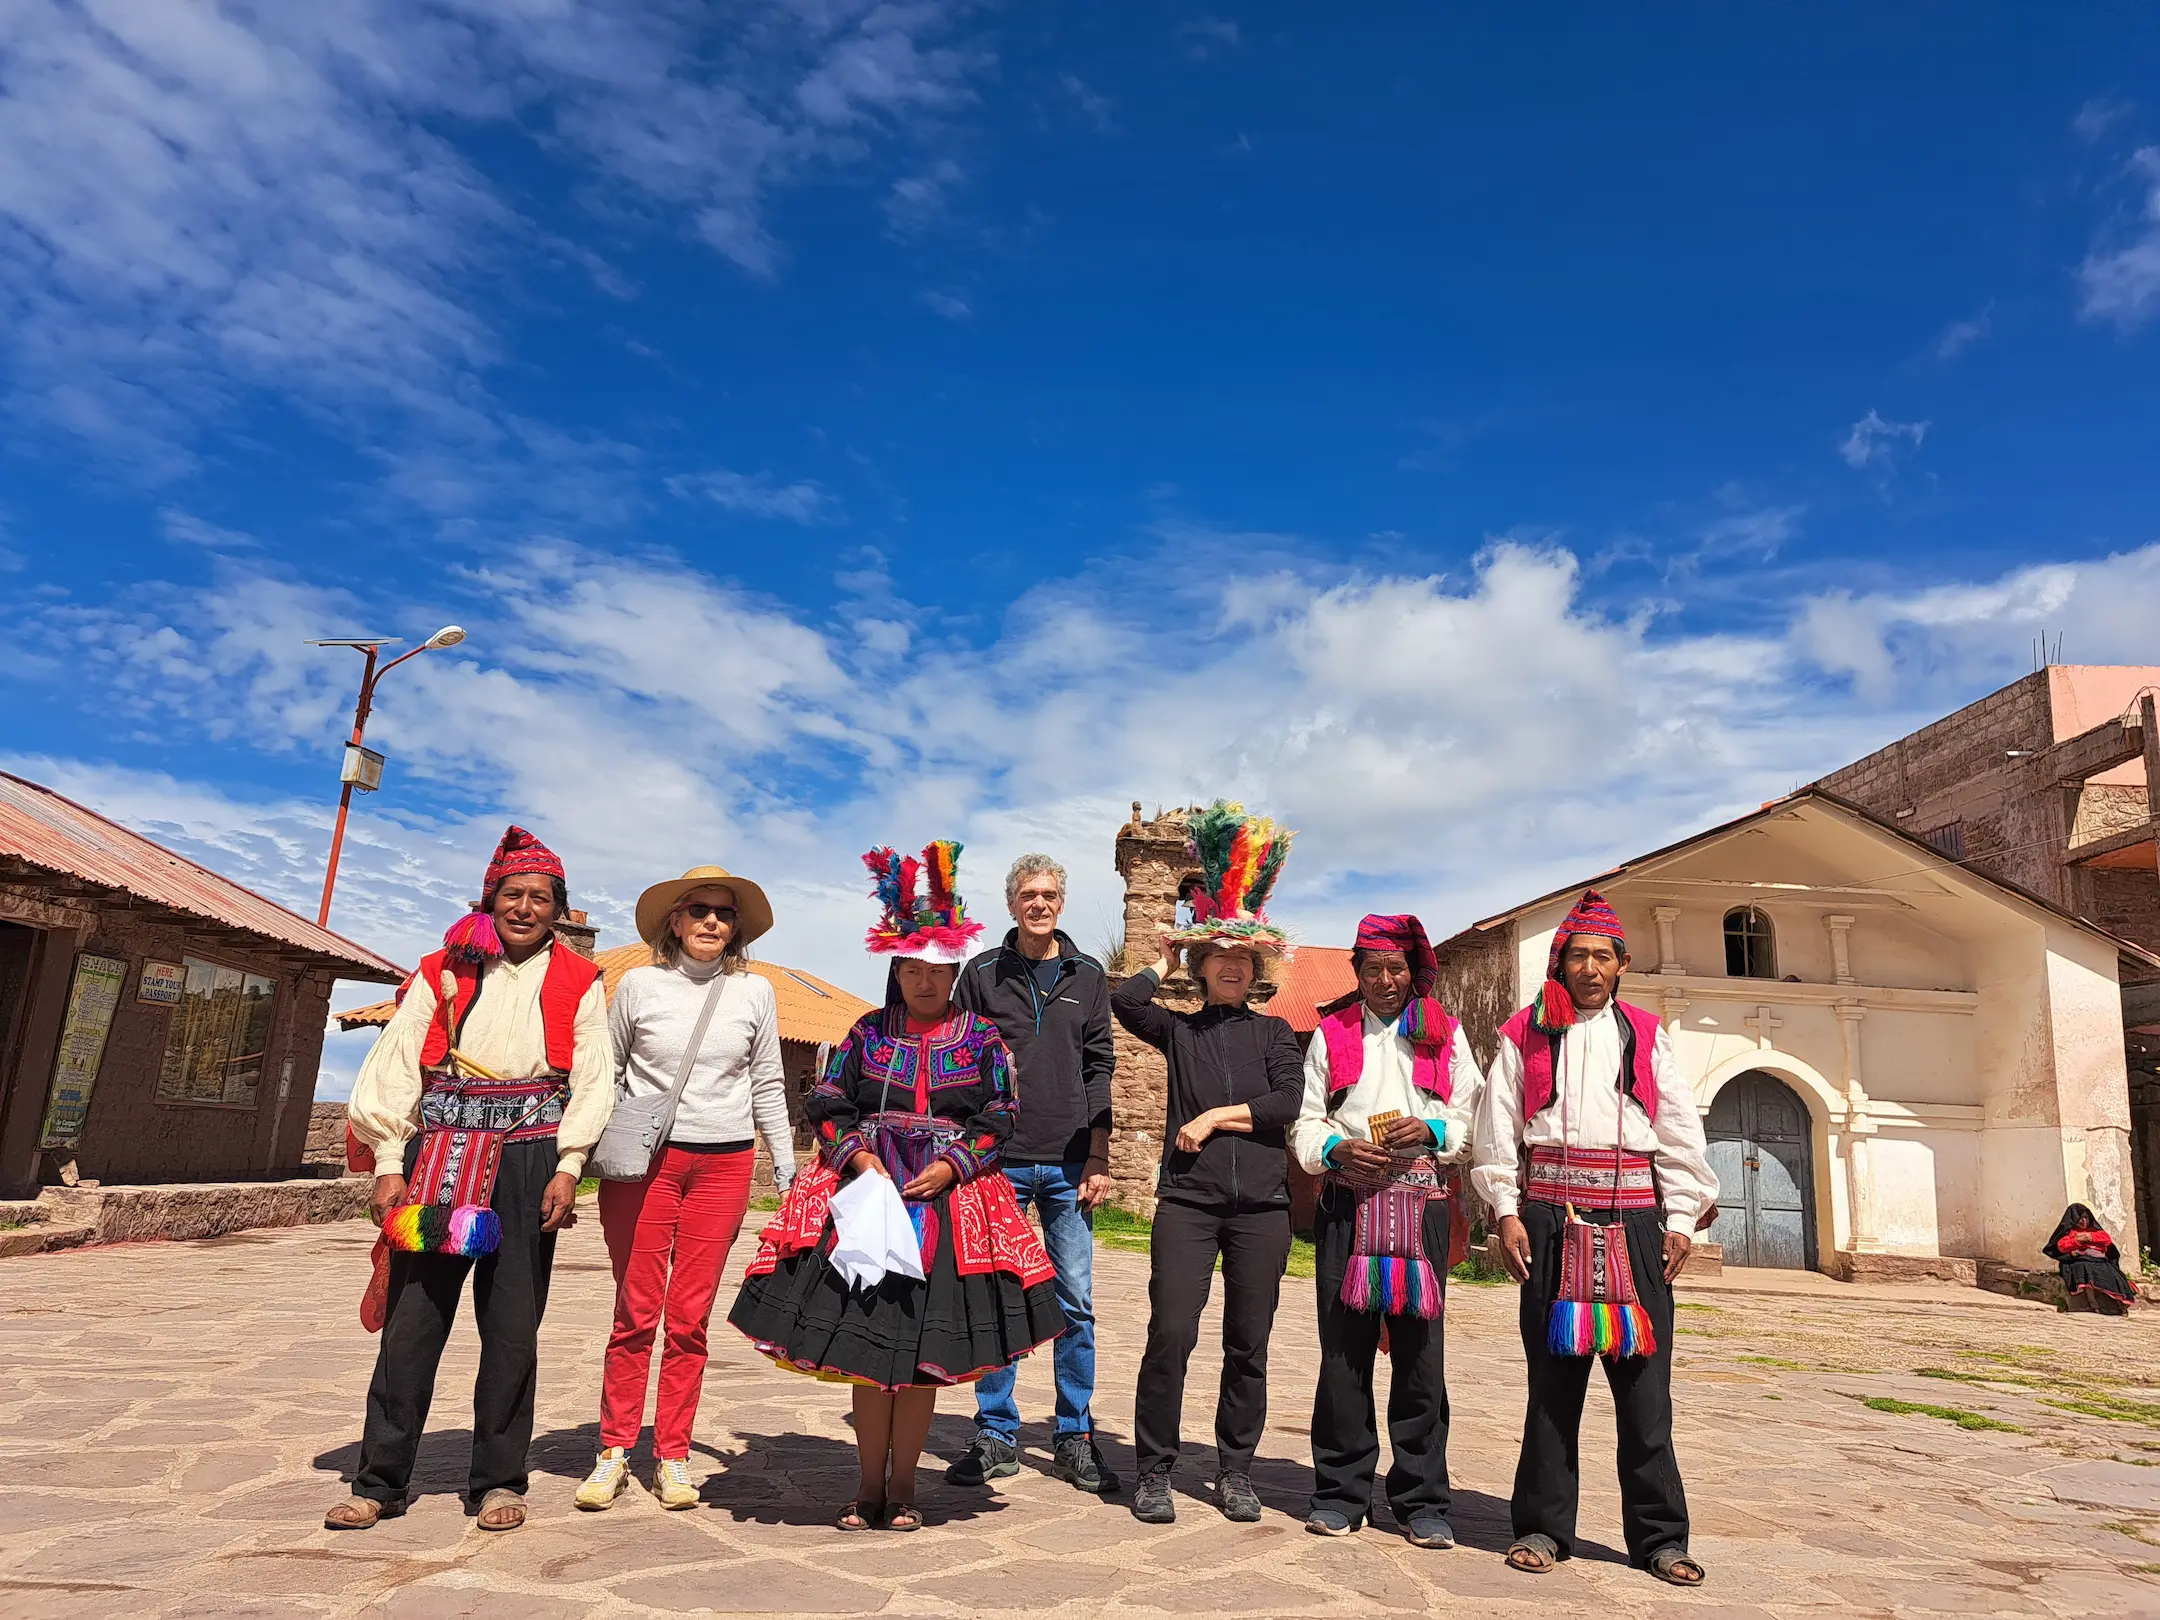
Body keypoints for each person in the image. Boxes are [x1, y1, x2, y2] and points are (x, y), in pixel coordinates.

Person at [728, 841, 1066, 1531]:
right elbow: (827, 1103)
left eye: (936, 972)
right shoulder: (864, 1034)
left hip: (947, 1209)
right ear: (897, 970)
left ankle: (904, 1487)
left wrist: (952, 1165)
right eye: (911, 969)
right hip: (864, 1203)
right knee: (866, 1354)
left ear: (952, 974)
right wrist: (857, 1158)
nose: (924, 982)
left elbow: (1001, 1116)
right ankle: (864, 1486)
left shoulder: (981, 1041)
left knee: (918, 1360)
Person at [329, 826, 615, 1533]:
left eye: (540, 898)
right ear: (491, 900)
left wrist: (570, 1166)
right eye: (513, 894)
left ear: (561, 913)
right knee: (413, 1324)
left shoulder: (580, 982)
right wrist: (391, 1164)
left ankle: (497, 1481)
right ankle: (380, 1480)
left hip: (529, 1156)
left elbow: (594, 1079)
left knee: (513, 1327)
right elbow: (396, 1064)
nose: (525, 907)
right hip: (440, 1156)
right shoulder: (443, 971)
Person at [1473, 890, 1718, 1587]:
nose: (1589, 967)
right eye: (1577, 955)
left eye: (1602, 956)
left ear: (1621, 965)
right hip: (1550, 1219)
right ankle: (1544, 1529)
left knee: (1646, 1392)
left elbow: (1677, 1130)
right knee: (1553, 1386)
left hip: (1636, 1225)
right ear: (1560, 962)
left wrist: (1677, 1222)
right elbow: (1497, 1129)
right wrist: (1506, 1210)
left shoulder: (1646, 1034)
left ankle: (1661, 1538)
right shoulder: (1525, 1033)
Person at [576, 864, 798, 1511]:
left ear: (736, 930)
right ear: (674, 920)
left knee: (690, 1318)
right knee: (636, 1311)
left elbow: (767, 1085)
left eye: (724, 914)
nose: (711, 921)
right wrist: (574, 1161)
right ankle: (614, 1449)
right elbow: (605, 1076)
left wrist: (785, 1172)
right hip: (645, 1166)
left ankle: (672, 1453)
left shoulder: (753, 994)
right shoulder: (639, 987)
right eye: (698, 909)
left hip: (724, 1166)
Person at [1112, 801, 1306, 1527]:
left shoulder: (1277, 1033)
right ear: (1201, 966)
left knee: (1247, 1345)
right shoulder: (1179, 1029)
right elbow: (1127, 1001)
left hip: (1261, 1210)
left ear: (1253, 968)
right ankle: (1155, 1471)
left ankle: (1235, 1473)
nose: (1230, 963)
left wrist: (1215, 1116)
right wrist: (1164, 954)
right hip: (1189, 1205)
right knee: (1172, 1334)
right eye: (1216, 953)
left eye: (1241, 955)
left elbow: (1287, 1103)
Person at [1288, 913, 1485, 1547]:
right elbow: (1306, 1124)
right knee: (1343, 1353)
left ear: (1413, 972)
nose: (1384, 979)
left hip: (1419, 1207)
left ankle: (1421, 1498)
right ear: (1357, 973)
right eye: (1372, 969)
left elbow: (1467, 1116)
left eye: (1395, 968)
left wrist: (1431, 1132)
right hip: (1348, 1207)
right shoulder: (1331, 1033)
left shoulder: (1445, 1035)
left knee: (1420, 1356)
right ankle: (1341, 1491)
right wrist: (1336, 1153)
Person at [947, 854, 1120, 1494]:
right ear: (1013, 902)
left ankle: (1074, 1435)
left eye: (1049, 894)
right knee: (996, 1294)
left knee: (1075, 1302)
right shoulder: (982, 975)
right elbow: (958, 1064)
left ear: (1062, 902)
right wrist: (966, 1151)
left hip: (1071, 1162)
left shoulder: (1088, 976)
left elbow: (1100, 1066)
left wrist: (1099, 1156)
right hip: (1000, 1162)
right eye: (1028, 894)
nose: (1039, 903)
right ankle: (995, 1433)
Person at [2044, 1203, 2137, 1315]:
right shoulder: (2071, 1232)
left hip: (2100, 1261)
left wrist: (2089, 1237)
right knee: (2086, 1270)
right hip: (2082, 1261)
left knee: (2113, 1274)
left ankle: (2120, 1304)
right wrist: (2077, 1241)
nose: (2083, 1221)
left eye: (2086, 1218)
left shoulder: (2095, 1230)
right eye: (2080, 1218)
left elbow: (2106, 1239)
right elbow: (2062, 1246)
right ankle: (2093, 1303)